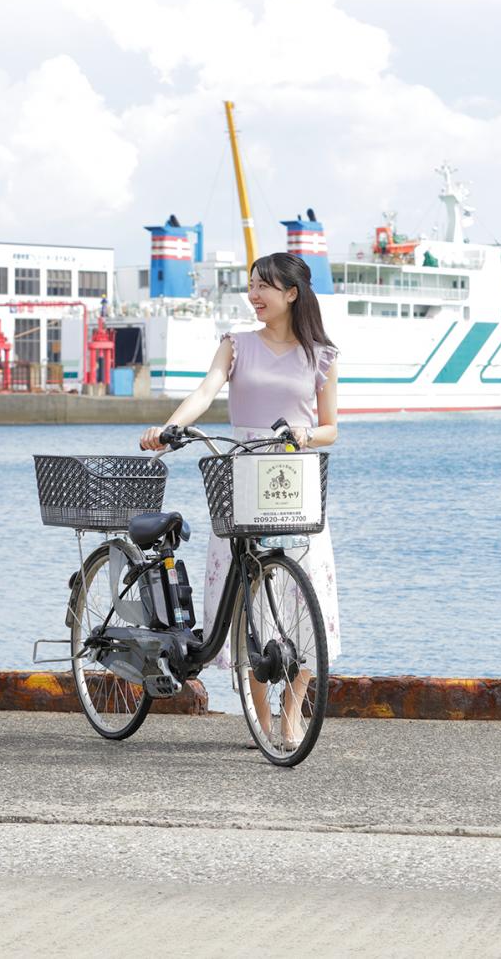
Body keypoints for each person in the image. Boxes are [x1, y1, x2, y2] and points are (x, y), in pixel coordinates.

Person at [140, 252, 341, 743]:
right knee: (248, 595)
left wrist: (305, 432)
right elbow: (207, 390)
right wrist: (172, 427)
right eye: (251, 285)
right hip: (240, 473)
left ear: (291, 293)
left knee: (305, 599)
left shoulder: (321, 354)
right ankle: (261, 716)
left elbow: (332, 428)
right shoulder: (237, 344)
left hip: (294, 477)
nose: (255, 295)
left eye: (264, 287)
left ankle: (293, 714)